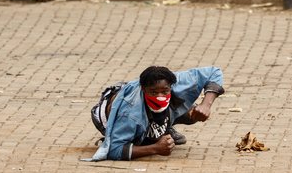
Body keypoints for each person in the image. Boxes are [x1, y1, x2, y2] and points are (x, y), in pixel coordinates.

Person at [88, 66, 224, 161]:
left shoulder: (175, 81)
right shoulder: (130, 114)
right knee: (138, 140)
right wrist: (155, 148)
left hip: (148, 111)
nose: (160, 96)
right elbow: (113, 150)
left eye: (164, 91)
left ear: (171, 86)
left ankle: (163, 128)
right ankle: (153, 135)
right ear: (143, 89)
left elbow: (214, 72)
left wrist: (206, 104)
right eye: (153, 92)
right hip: (110, 115)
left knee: (193, 113)